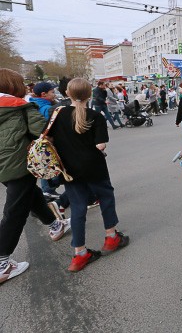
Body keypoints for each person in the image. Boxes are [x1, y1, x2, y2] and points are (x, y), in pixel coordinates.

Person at [47, 78, 129, 272]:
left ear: (67, 93)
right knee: (106, 198)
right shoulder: (95, 116)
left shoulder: (57, 113)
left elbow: (48, 139)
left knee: (77, 209)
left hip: (69, 170)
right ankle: (111, 237)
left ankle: (80, 254)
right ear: (89, 94)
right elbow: (100, 145)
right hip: (95, 168)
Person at [0, 68, 71, 284]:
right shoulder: (20, 107)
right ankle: (2, 261)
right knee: (15, 210)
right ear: (14, 86)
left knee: (30, 195)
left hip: (3, 166)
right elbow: (42, 131)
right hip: (21, 164)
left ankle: (55, 225)